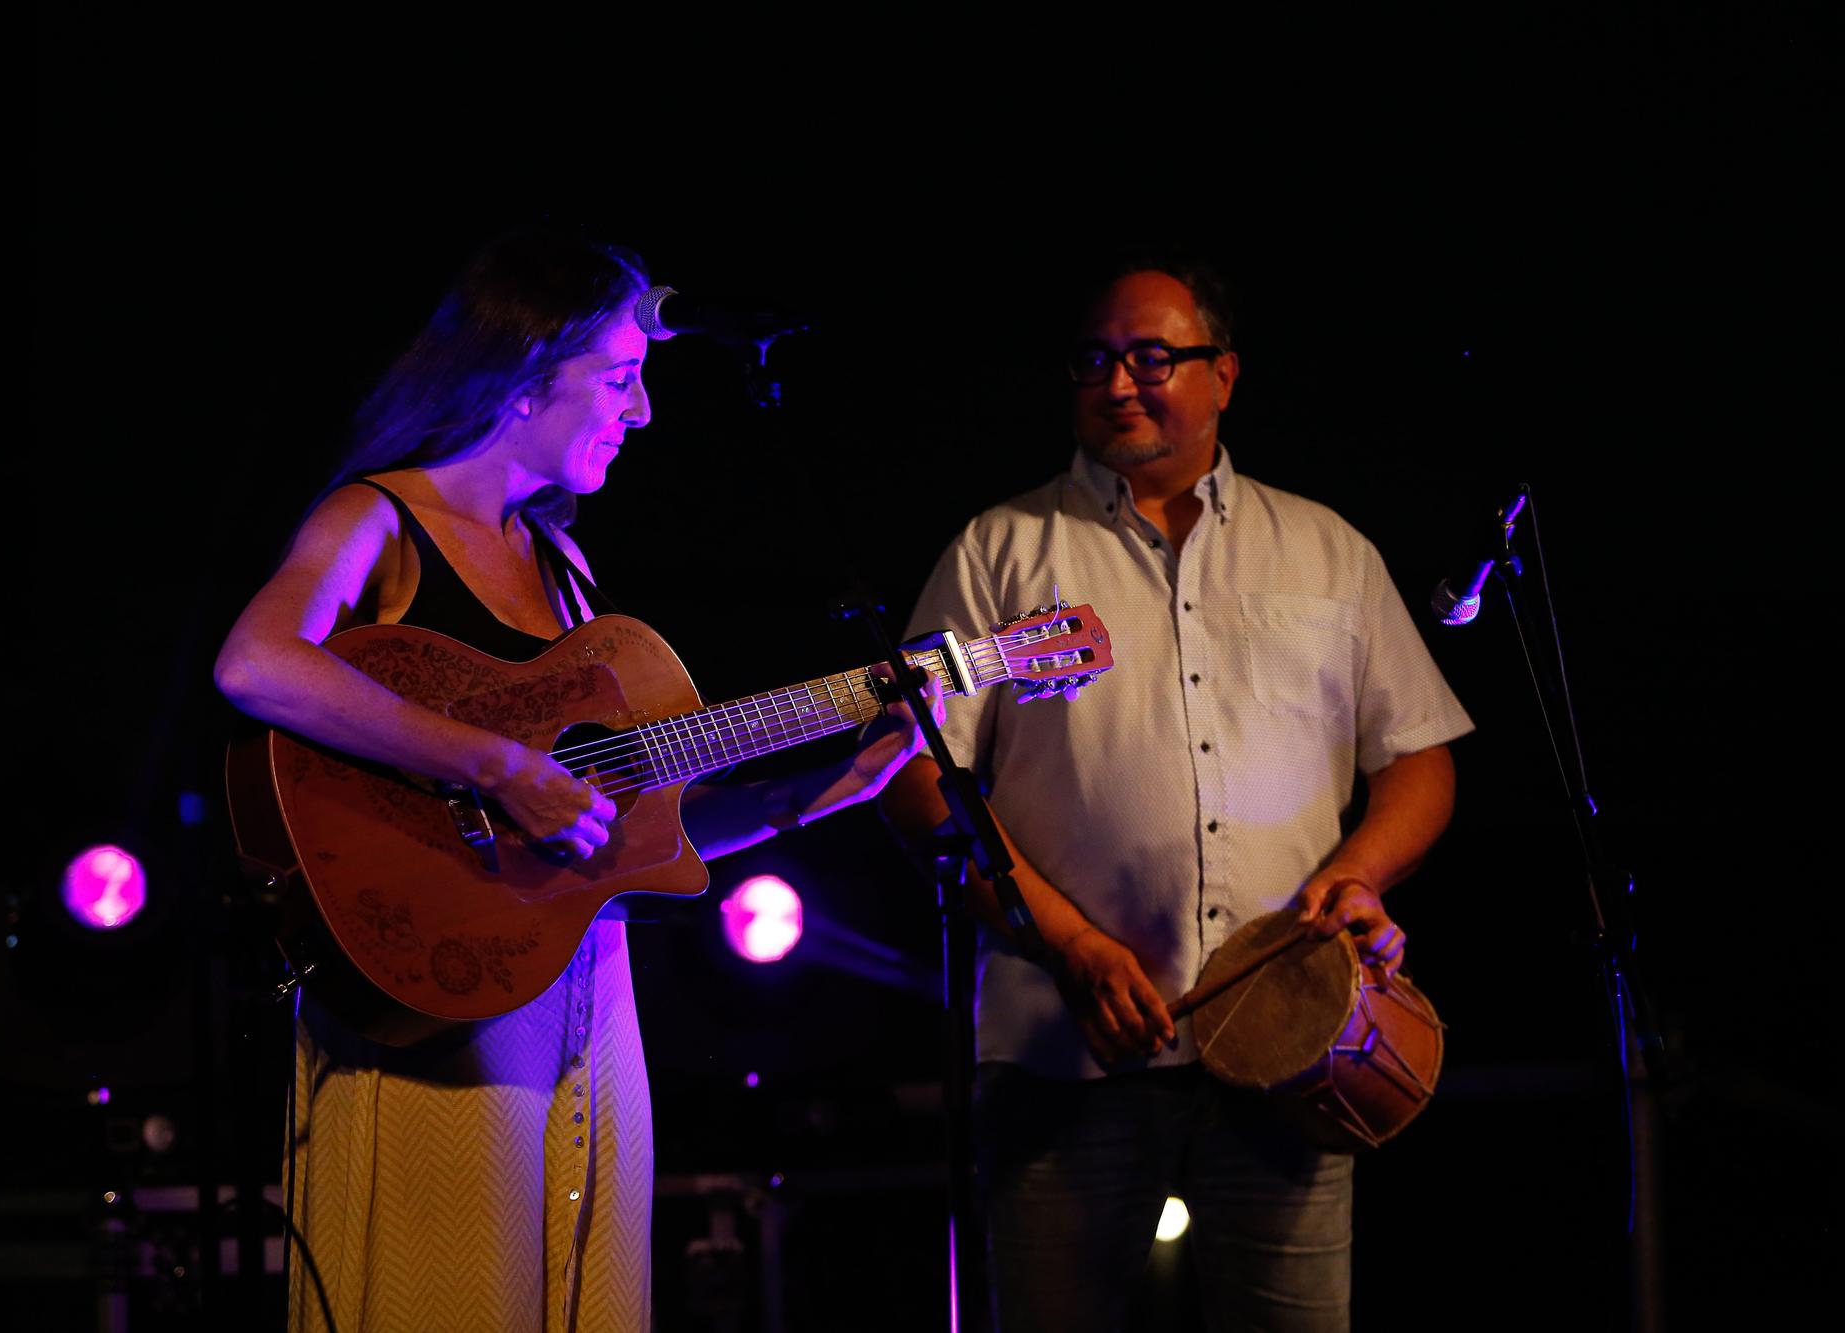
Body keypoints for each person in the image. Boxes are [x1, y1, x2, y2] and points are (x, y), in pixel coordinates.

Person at [214, 228, 941, 1333]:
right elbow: (255, 663)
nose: (641, 411)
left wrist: (822, 791)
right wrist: (493, 763)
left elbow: (635, 831)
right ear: (520, 375)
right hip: (434, 990)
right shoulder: (380, 518)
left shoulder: (565, 564)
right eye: (617, 376)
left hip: (580, 988)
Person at [879, 257, 1472, 1332]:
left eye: (1151, 357)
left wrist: (1355, 874)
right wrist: (1071, 943)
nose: (1117, 383)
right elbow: (916, 775)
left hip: (1293, 1051)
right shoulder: (999, 550)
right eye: (1094, 361)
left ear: (1224, 374)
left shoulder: (1326, 548)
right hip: (1064, 1058)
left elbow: (1419, 757)